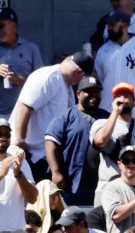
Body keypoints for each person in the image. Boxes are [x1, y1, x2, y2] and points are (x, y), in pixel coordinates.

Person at [9, 53, 92, 181]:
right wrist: (20, 140)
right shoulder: (48, 76)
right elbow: (24, 106)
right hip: (25, 155)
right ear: (79, 72)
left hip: (43, 157)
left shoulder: (67, 87)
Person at [91, 82, 135, 202]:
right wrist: (115, 112)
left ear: (134, 102)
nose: (123, 99)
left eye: (127, 96)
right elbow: (100, 141)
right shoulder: (101, 124)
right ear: (113, 101)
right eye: (118, 96)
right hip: (110, 191)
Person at [45, 76, 105, 207]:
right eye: (89, 91)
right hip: (71, 183)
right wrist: (56, 171)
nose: (93, 95)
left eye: (96, 91)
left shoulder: (107, 117)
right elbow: (50, 141)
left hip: (100, 184)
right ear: (78, 94)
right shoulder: (66, 116)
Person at [0, 7, 43, 122]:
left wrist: (20, 80)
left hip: (26, 111)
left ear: (14, 25)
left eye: (1, 26)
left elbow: (42, 81)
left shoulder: (31, 48)